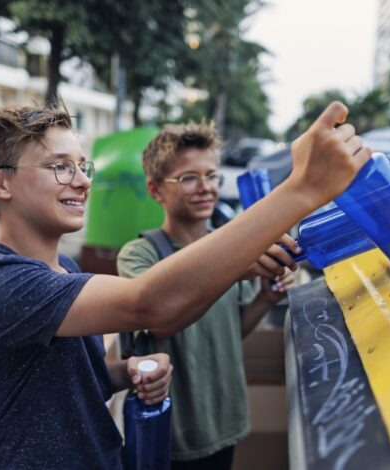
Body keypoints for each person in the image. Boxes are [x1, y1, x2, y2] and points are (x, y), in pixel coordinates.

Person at [0, 101, 371, 469]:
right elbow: (148, 305)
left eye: (82, 165)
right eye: (59, 167)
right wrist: (301, 189)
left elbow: (77, 379)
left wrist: (125, 371)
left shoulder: (65, 266)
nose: (82, 180)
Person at [117, 122, 297, 469]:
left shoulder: (232, 246)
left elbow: (233, 328)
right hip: (170, 429)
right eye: (188, 178)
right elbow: (160, 323)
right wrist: (231, 268)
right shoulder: (139, 255)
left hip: (223, 419)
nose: (205, 188)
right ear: (155, 190)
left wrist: (264, 299)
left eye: (211, 176)